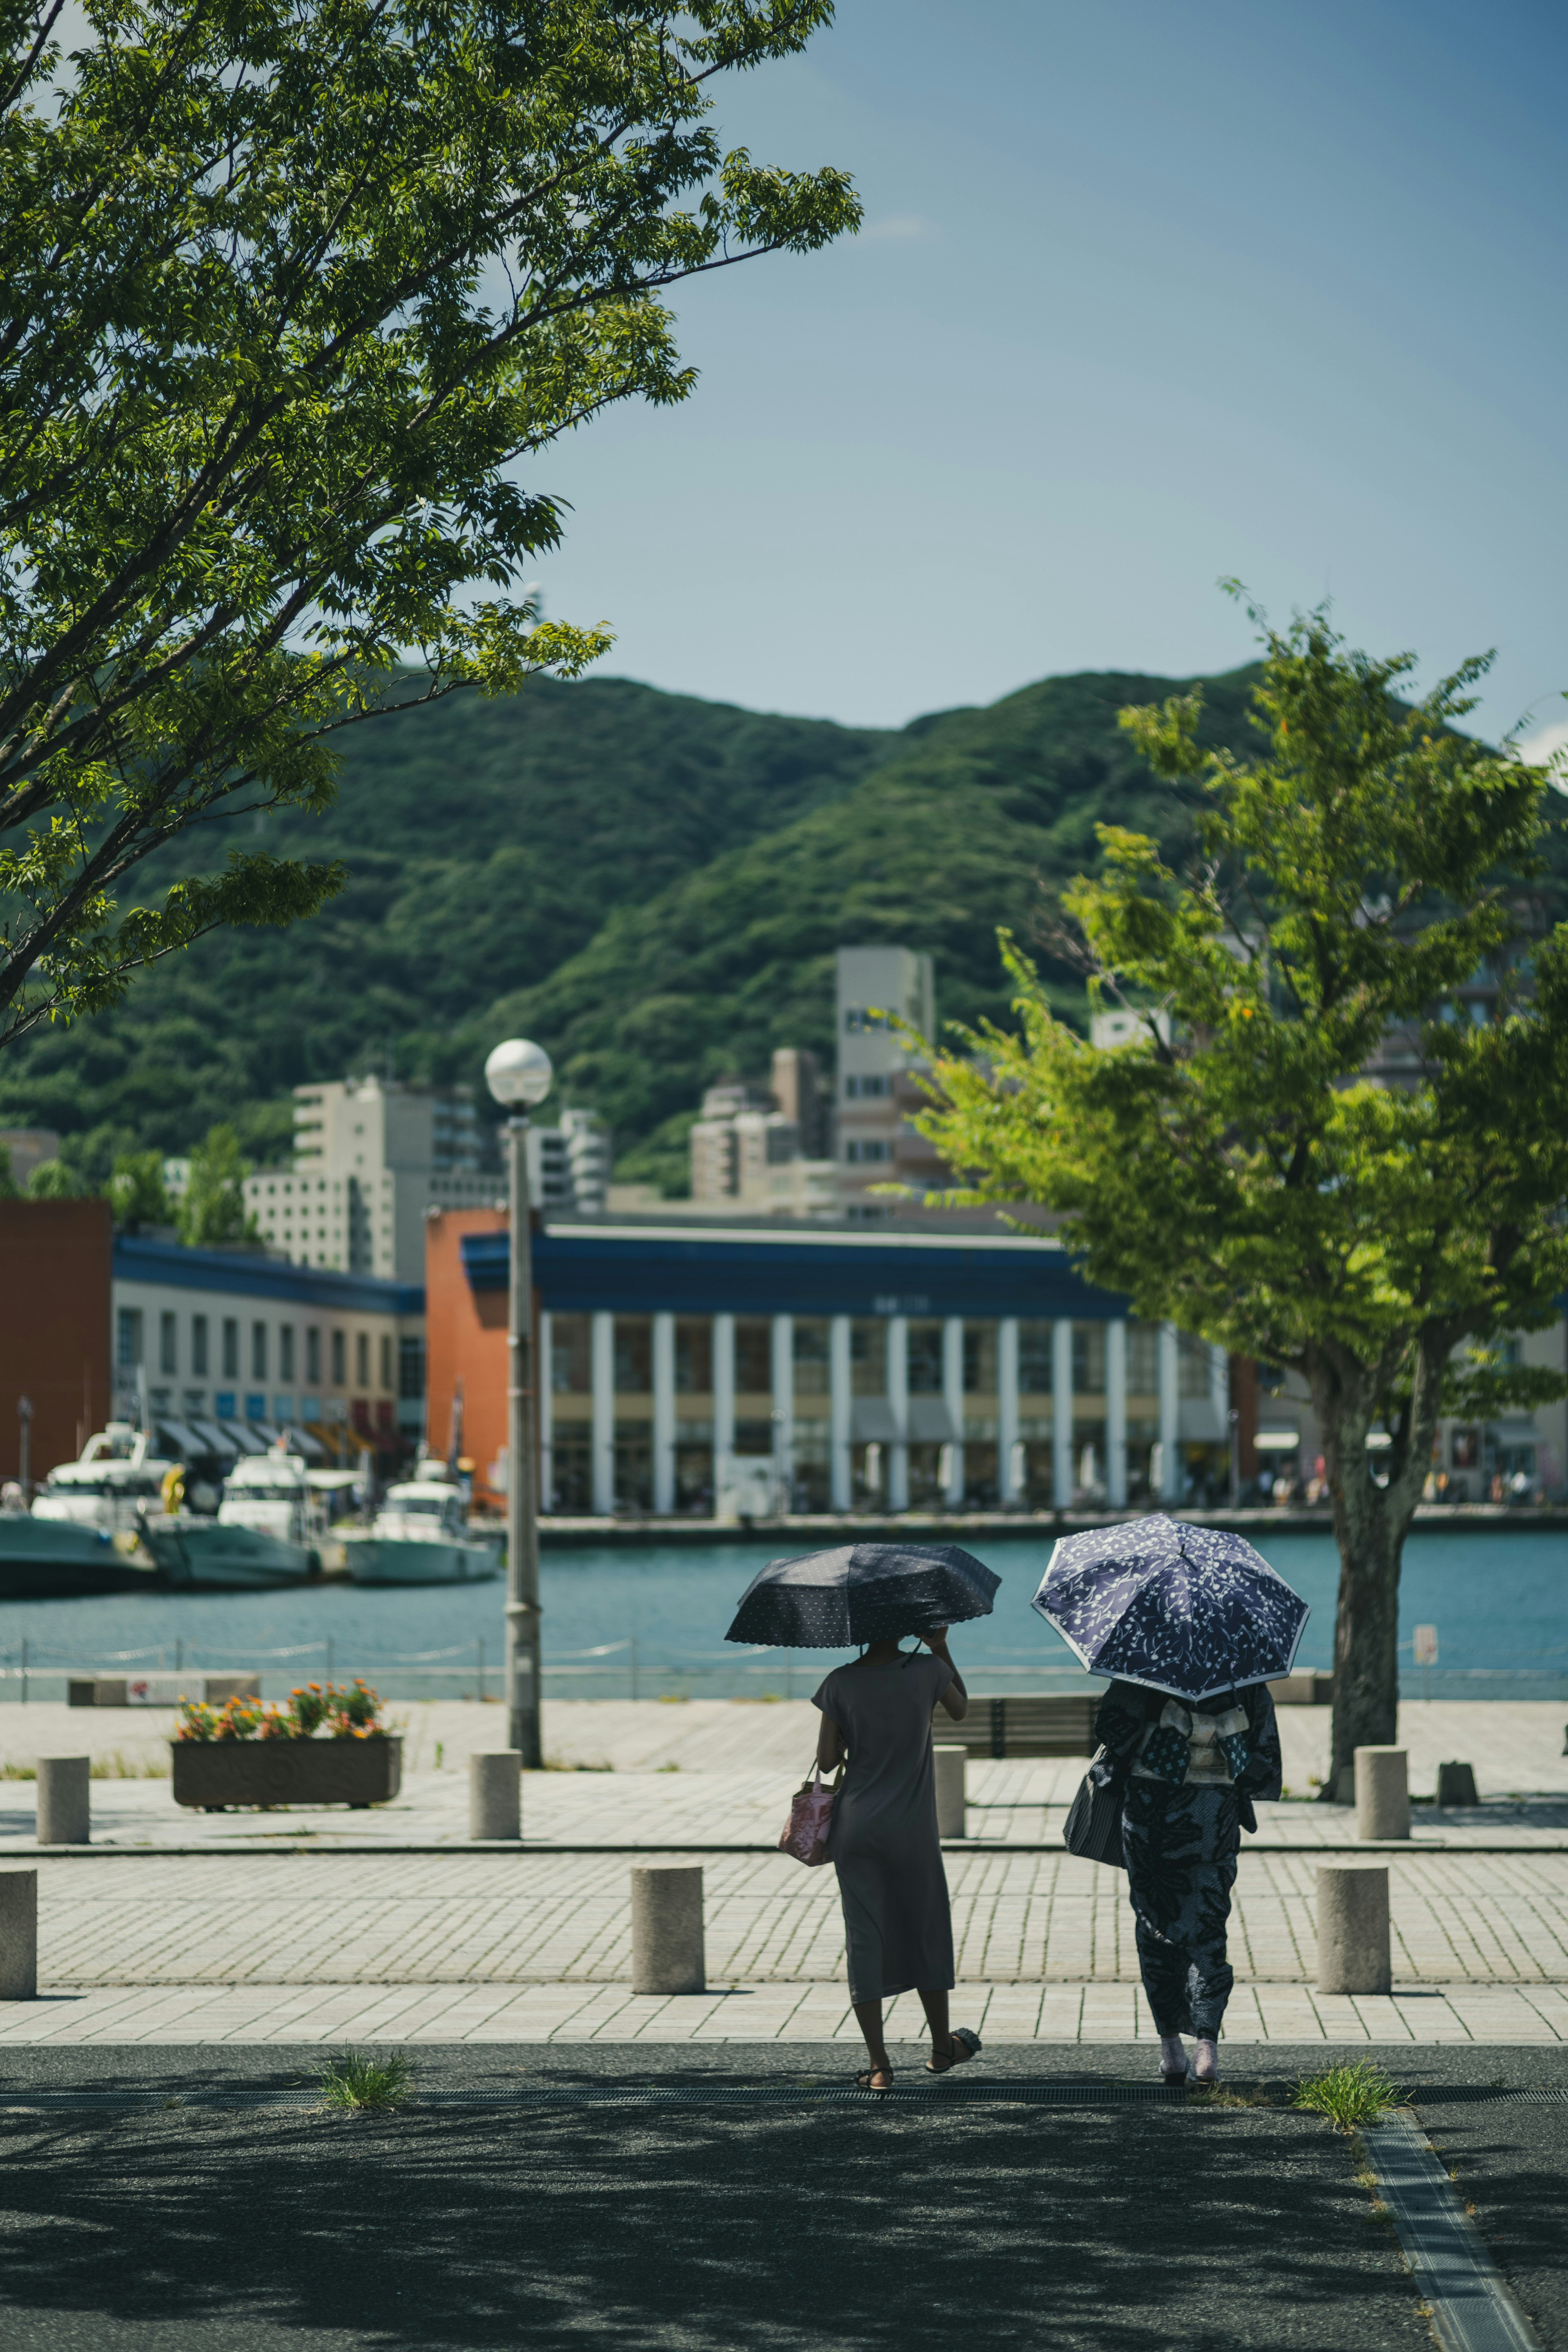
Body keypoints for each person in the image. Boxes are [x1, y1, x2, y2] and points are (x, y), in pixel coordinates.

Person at [1089, 1676, 1281, 2085]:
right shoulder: (1241, 1667)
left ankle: (1171, 2048)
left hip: (1150, 1807)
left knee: (1154, 1922)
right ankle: (1207, 2048)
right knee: (1209, 1922)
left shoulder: (1144, 1663)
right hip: (1215, 1809)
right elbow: (1262, 1746)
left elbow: (1111, 1725)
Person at [813, 1626, 982, 2091]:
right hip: (912, 1830)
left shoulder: (839, 1682)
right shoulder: (927, 1670)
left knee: (866, 1939)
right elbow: (961, 1709)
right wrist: (940, 1647)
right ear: (905, 1624)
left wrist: (854, 1735)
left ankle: (880, 2066)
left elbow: (827, 1761)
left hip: (857, 1827)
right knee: (926, 1928)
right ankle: (942, 2048)